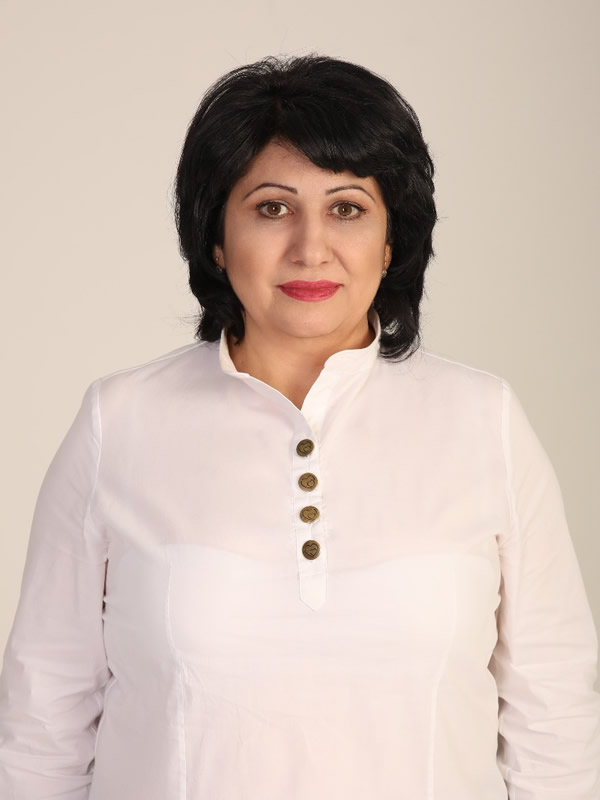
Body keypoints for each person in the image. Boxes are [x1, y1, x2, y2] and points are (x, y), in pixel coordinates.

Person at [0, 52, 598, 800]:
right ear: (216, 238)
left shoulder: (485, 421)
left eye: (347, 208)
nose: (311, 248)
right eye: (272, 208)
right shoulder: (117, 423)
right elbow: (43, 725)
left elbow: (554, 720)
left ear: (392, 241)